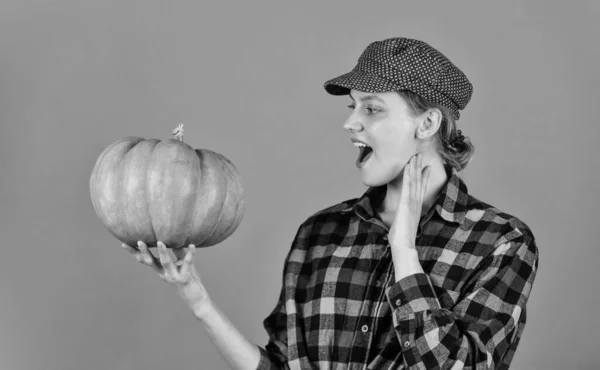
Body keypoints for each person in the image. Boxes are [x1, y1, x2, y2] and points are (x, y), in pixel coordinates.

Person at [122, 37, 539, 369]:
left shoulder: (501, 242)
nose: (350, 121)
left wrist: (404, 253)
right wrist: (198, 301)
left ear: (428, 123)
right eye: (352, 106)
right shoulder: (320, 233)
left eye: (372, 108)